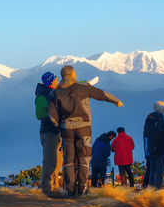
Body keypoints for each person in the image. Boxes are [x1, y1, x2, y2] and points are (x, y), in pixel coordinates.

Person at [48, 65, 123, 197]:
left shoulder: (55, 93)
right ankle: (82, 189)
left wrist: (59, 126)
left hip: (66, 129)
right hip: (83, 128)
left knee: (69, 160)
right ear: (72, 74)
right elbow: (102, 94)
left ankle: (70, 190)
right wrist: (116, 101)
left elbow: (52, 115)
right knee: (84, 158)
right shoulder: (83, 87)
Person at [35, 72, 63, 197]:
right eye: (56, 79)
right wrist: (53, 118)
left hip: (57, 131)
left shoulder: (54, 94)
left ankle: (55, 186)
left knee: (58, 160)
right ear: (52, 82)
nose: (58, 81)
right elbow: (39, 114)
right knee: (50, 160)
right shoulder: (42, 96)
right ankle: (47, 188)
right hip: (49, 132)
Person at [143, 101, 164, 190]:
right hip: (159, 149)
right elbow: (160, 135)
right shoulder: (161, 120)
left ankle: (151, 188)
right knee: (159, 170)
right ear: (161, 109)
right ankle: (157, 189)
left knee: (152, 170)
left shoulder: (148, 120)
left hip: (150, 149)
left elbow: (145, 135)